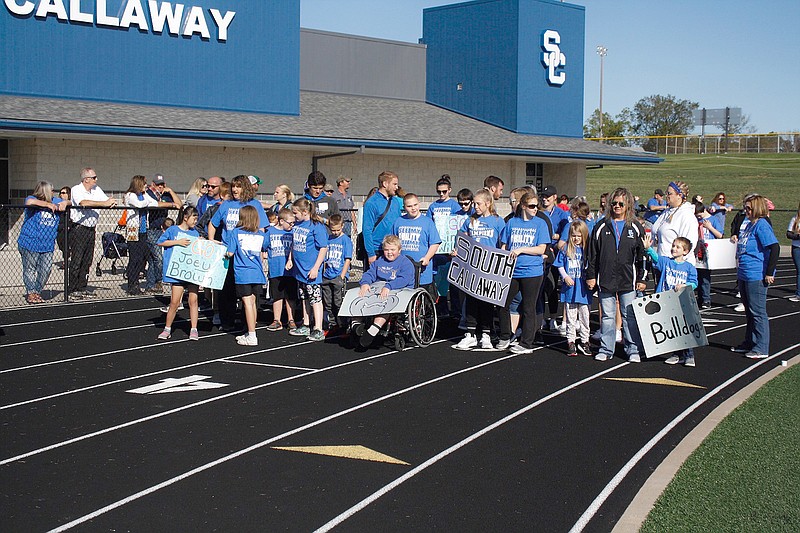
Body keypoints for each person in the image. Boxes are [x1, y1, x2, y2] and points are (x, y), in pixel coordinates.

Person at [586, 187, 647, 363]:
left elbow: (643, 255)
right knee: (607, 316)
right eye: (614, 203)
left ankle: (632, 349)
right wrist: (591, 275)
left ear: (628, 204)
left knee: (629, 316)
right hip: (606, 279)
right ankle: (606, 348)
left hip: (628, 280)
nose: (617, 206)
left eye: (621, 203)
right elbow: (592, 255)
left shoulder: (635, 226)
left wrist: (643, 278)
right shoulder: (601, 226)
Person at [209, 175, 269, 331]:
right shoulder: (226, 205)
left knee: (249, 292)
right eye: (233, 186)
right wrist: (211, 240)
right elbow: (213, 224)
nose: (235, 189)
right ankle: (226, 321)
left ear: (246, 188)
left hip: (247, 256)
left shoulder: (254, 205)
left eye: (238, 186)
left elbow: (262, 228)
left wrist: (257, 247)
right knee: (227, 289)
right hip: (228, 253)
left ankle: (247, 324)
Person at [496, 190, 550, 354]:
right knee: (502, 303)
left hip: (532, 271)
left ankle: (527, 342)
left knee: (528, 307)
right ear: (524, 206)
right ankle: (506, 335)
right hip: (513, 271)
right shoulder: (512, 222)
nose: (535, 209)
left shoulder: (540, 224)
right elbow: (504, 244)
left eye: (537, 206)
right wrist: (506, 254)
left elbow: (541, 248)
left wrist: (521, 250)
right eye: (532, 206)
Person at [452, 189, 506, 350]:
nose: (475, 206)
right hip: (472, 267)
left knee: (487, 302)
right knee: (471, 301)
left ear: (488, 203)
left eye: (478, 203)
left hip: (489, 268)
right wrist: (458, 250)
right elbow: (461, 237)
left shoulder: (497, 221)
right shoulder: (470, 220)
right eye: (474, 203)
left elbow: (502, 244)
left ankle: (486, 334)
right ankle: (470, 334)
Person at [730, 195, 779, 359]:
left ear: (757, 208)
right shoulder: (750, 225)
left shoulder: (762, 225)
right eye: (745, 208)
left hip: (756, 274)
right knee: (750, 312)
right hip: (745, 273)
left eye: (749, 208)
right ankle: (750, 342)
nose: (746, 211)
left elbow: (774, 248)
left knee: (758, 312)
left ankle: (761, 346)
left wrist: (769, 272)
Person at [643, 233, 699, 366]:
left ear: (685, 251)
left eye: (678, 247)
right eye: (673, 246)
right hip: (666, 301)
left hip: (681, 302)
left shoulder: (689, 267)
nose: (674, 249)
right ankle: (676, 354)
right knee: (671, 329)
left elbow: (694, 283)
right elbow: (656, 258)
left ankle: (689, 354)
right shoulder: (666, 262)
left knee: (684, 328)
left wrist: (685, 286)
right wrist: (648, 249)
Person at [357, 234, 416, 348]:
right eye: (386, 250)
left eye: (393, 250)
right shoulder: (379, 261)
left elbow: (404, 279)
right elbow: (370, 273)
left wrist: (389, 286)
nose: (389, 252)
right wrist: (365, 283)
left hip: (401, 291)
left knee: (387, 301)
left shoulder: (405, 263)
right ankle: (356, 326)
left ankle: (374, 329)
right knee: (360, 294)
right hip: (380, 289)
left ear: (399, 250)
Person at [68, 167, 117, 298]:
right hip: (79, 228)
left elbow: (106, 201)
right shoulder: (76, 189)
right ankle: (72, 288)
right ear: (86, 179)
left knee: (87, 260)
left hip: (91, 228)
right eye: (94, 177)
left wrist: (110, 202)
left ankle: (82, 286)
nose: (96, 180)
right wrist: (104, 203)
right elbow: (83, 203)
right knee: (77, 259)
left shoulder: (96, 190)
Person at [285, 198, 329, 341]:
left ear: (305, 212)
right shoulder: (297, 225)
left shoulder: (316, 226)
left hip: (311, 270)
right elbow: (294, 243)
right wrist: (290, 259)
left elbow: (323, 248)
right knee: (304, 297)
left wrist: (316, 267)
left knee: (315, 298)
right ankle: (305, 323)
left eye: (296, 212)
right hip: (300, 269)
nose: (294, 215)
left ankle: (318, 327)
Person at [224, 205, 268, 346]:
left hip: (243, 273)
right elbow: (265, 247)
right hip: (257, 273)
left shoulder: (236, 233)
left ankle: (252, 336)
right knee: (253, 304)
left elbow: (230, 253)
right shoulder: (261, 235)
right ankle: (250, 331)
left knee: (248, 304)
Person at [156, 206, 201, 341]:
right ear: (185, 218)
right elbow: (160, 242)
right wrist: (178, 242)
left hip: (191, 271)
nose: (195, 221)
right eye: (194, 218)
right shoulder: (173, 230)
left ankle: (194, 329)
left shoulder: (195, 233)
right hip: (178, 272)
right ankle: (167, 328)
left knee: (193, 300)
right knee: (174, 302)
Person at [18, 181, 66, 303]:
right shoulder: (32, 199)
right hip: (29, 242)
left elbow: (70, 202)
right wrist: (46, 205)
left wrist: (65, 202)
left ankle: (37, 291)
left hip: (47, 244)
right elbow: (29, 202)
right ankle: (31, 292)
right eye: (51, 190)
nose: (53, 193)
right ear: (44, 191)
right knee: (30, 269)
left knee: (46, 269)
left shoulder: (55, 200)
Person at [391, 193, 441, 298]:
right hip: (403, 269)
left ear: (419, 204)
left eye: (415, 205)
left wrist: (427, 258)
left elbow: (435, 243)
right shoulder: (398, 221)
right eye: (409, 206)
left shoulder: (427, 222)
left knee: (422, 301)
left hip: (422, 271)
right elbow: (393, 243)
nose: (413, 208)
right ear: (404, 207)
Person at [555, 221, 592, 357]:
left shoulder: (587, 250)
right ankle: (571, 341)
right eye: (573, 236)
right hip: (570, 287)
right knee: (571, 317)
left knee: (584, 316)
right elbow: (559, 265)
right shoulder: (565, 249)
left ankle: (584, 341)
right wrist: (565, 277)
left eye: (579, 236)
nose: (576, 239)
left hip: (583, 289)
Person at [426, 175, 462, 317]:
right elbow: (429, 226)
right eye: (439, 192)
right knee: (438, 281)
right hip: (438, 250)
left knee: (453, 282)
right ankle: (441, 309)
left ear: (450, 190)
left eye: (444, 191)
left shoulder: (454, 205)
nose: (441, 194)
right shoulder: (433, 206)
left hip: (451, 250)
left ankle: (456, 311)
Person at [651, 180, 698, 285]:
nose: (666, 196)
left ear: (679, 195)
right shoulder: (667, 211)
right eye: (666, 193)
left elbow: (689, 244)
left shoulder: (686, 216)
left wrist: (677, 266)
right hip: (662, 264)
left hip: (676, 270)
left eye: (669, 193)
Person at [123, 175, 164, 295]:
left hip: (143, 230)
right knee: (134, 258)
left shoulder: (144, 195)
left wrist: (147, 202)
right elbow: (140, 205)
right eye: (144, 184)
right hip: (133, 230)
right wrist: (147, 202)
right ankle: (132, 285)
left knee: (141, 259)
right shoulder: (130, 195)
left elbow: (154, 203)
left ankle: (137, 283)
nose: (146, 186)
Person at [144, 174, 182, 294]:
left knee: (154, 259)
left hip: (163, 230)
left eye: (162, 184)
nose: (160, 187)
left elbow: (179, 204)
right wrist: (170, 205)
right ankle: (158, 280)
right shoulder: (149, 193)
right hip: (152, 229)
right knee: (158, 258)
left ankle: (152, 284)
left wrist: (170, 191)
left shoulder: (166, 194)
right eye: (158, 184)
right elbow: (154, 204)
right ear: (153, 184)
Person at [539, 185, 569, 332]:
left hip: (555, 254)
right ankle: (541, 317)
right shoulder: (539, 213)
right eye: (543, 196)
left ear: (555, 197)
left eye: (548, 196)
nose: (545, 199)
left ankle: (552, 318)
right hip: (541, 252)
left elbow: (565, 233)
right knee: (540, 287)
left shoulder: (562, 214)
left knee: (551, 286)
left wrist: (555, 239)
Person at [264, 208, 298, 332]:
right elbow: (264, 246)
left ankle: (291, 319)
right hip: (275, 269)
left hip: (290, 271)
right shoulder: (270, 232)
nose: (292, 225)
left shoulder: (293, 232)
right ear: (281, 221)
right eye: (290, 223)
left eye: (293, 223)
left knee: (290, 296)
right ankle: (277, 319)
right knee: (277, 296)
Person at [362, 171, 403, 265]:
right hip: (377, 250)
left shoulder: (395, 202)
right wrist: (371, 253)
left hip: (393, 249)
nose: (397, 187)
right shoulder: (372, 203)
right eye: (394, 184)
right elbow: (367, 230)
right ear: (385, 184)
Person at [321, 213, 353, 335]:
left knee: (338, 302)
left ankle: (343, 325)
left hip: (338, 275)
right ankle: (333, 324)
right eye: (333, 230)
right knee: (328, 303)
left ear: (342, 226)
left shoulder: (345, 240)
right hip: (327, 275)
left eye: (338, 230)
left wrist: (342, 276)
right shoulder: (329, 239)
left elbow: (347, 259)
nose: (335, 232)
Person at [695, 202, 724, 308]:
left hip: (708, 251)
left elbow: (720, 235)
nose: (698, 217)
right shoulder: (696, 221)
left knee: (705, 277)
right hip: (697, 251)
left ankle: (706, 299)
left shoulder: (713, 220)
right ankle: (699, 298)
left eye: (699, 215)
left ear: (704, 211)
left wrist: (710, 227)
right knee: (697, 276)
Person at [788, 202, 800, 303]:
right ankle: (799, 293)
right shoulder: (795, 219)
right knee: (799, 271)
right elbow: (789, 234)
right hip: (797, 247)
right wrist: (797, 236)